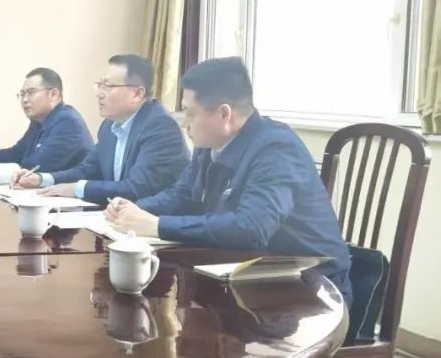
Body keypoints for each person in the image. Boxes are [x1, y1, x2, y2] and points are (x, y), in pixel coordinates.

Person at [104, 56, 352, 304]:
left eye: (189, 113)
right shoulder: (209, 143)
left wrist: (157, 225)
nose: (184, 124)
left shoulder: (276, 148)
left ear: (225, 114)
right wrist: (135, 209)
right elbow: (182, 194)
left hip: (309, 288)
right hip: (248, 277)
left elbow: (251, 227)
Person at [12, 54, 188, 205]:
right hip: (117, 219)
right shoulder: (109, 126)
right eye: (99, 85)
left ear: (137, 94)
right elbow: (88, 170)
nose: (99, 93)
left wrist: (76, 188)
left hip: (155, 225)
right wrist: (42, 179)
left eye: (108, 86)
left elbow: (136, 188)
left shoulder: (160, 126)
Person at [0, 67, 93, 172]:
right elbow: (17, 153)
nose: (25, 99)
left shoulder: (68, 122)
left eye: (31, 92)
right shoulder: (38, 122)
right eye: (22, 94)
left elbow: (36, 166)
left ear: (54, 95)